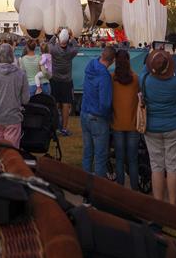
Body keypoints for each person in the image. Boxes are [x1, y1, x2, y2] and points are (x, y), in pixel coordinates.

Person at [141, 48, 176, 205]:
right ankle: (173, 206)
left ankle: (158, 205)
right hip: (173, 126)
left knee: (157, 167)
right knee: (173, 168)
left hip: (152, 127)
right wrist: (173, 59)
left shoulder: (146, 81)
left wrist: (152, 57)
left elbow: (144, 70)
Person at [0, 43, 29, 148]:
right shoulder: (21, 74)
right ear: (12, 55)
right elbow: (25, 100)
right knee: (12, 152)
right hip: (13, 118)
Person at [80, 45, 115, 178]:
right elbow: (105, 103)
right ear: (112, 61)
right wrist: (108, 116)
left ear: (102, 54)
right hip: (98, 117)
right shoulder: (104, 76)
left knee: (87, 152)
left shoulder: (91, 66)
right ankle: (98, 187)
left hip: (85, 113)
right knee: (100, 156)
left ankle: (85, 184)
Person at [111, 48, 140, 189]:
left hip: (117, 123)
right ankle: (134, 190)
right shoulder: (135, 78)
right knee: (133, 160)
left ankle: (119, 190)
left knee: (119, 159)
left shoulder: (112, 78)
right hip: (132, 124)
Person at [49, 28, 79, 136]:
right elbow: (76, 47)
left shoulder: (54, 50)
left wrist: (55, 34)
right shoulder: (71, 51)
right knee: (66, 104)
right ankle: (64, 128)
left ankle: (55, 127)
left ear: (59, 38)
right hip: (67, 81)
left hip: (55, 79)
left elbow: (49, 44)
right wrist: (72, 36)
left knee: (55, 103)